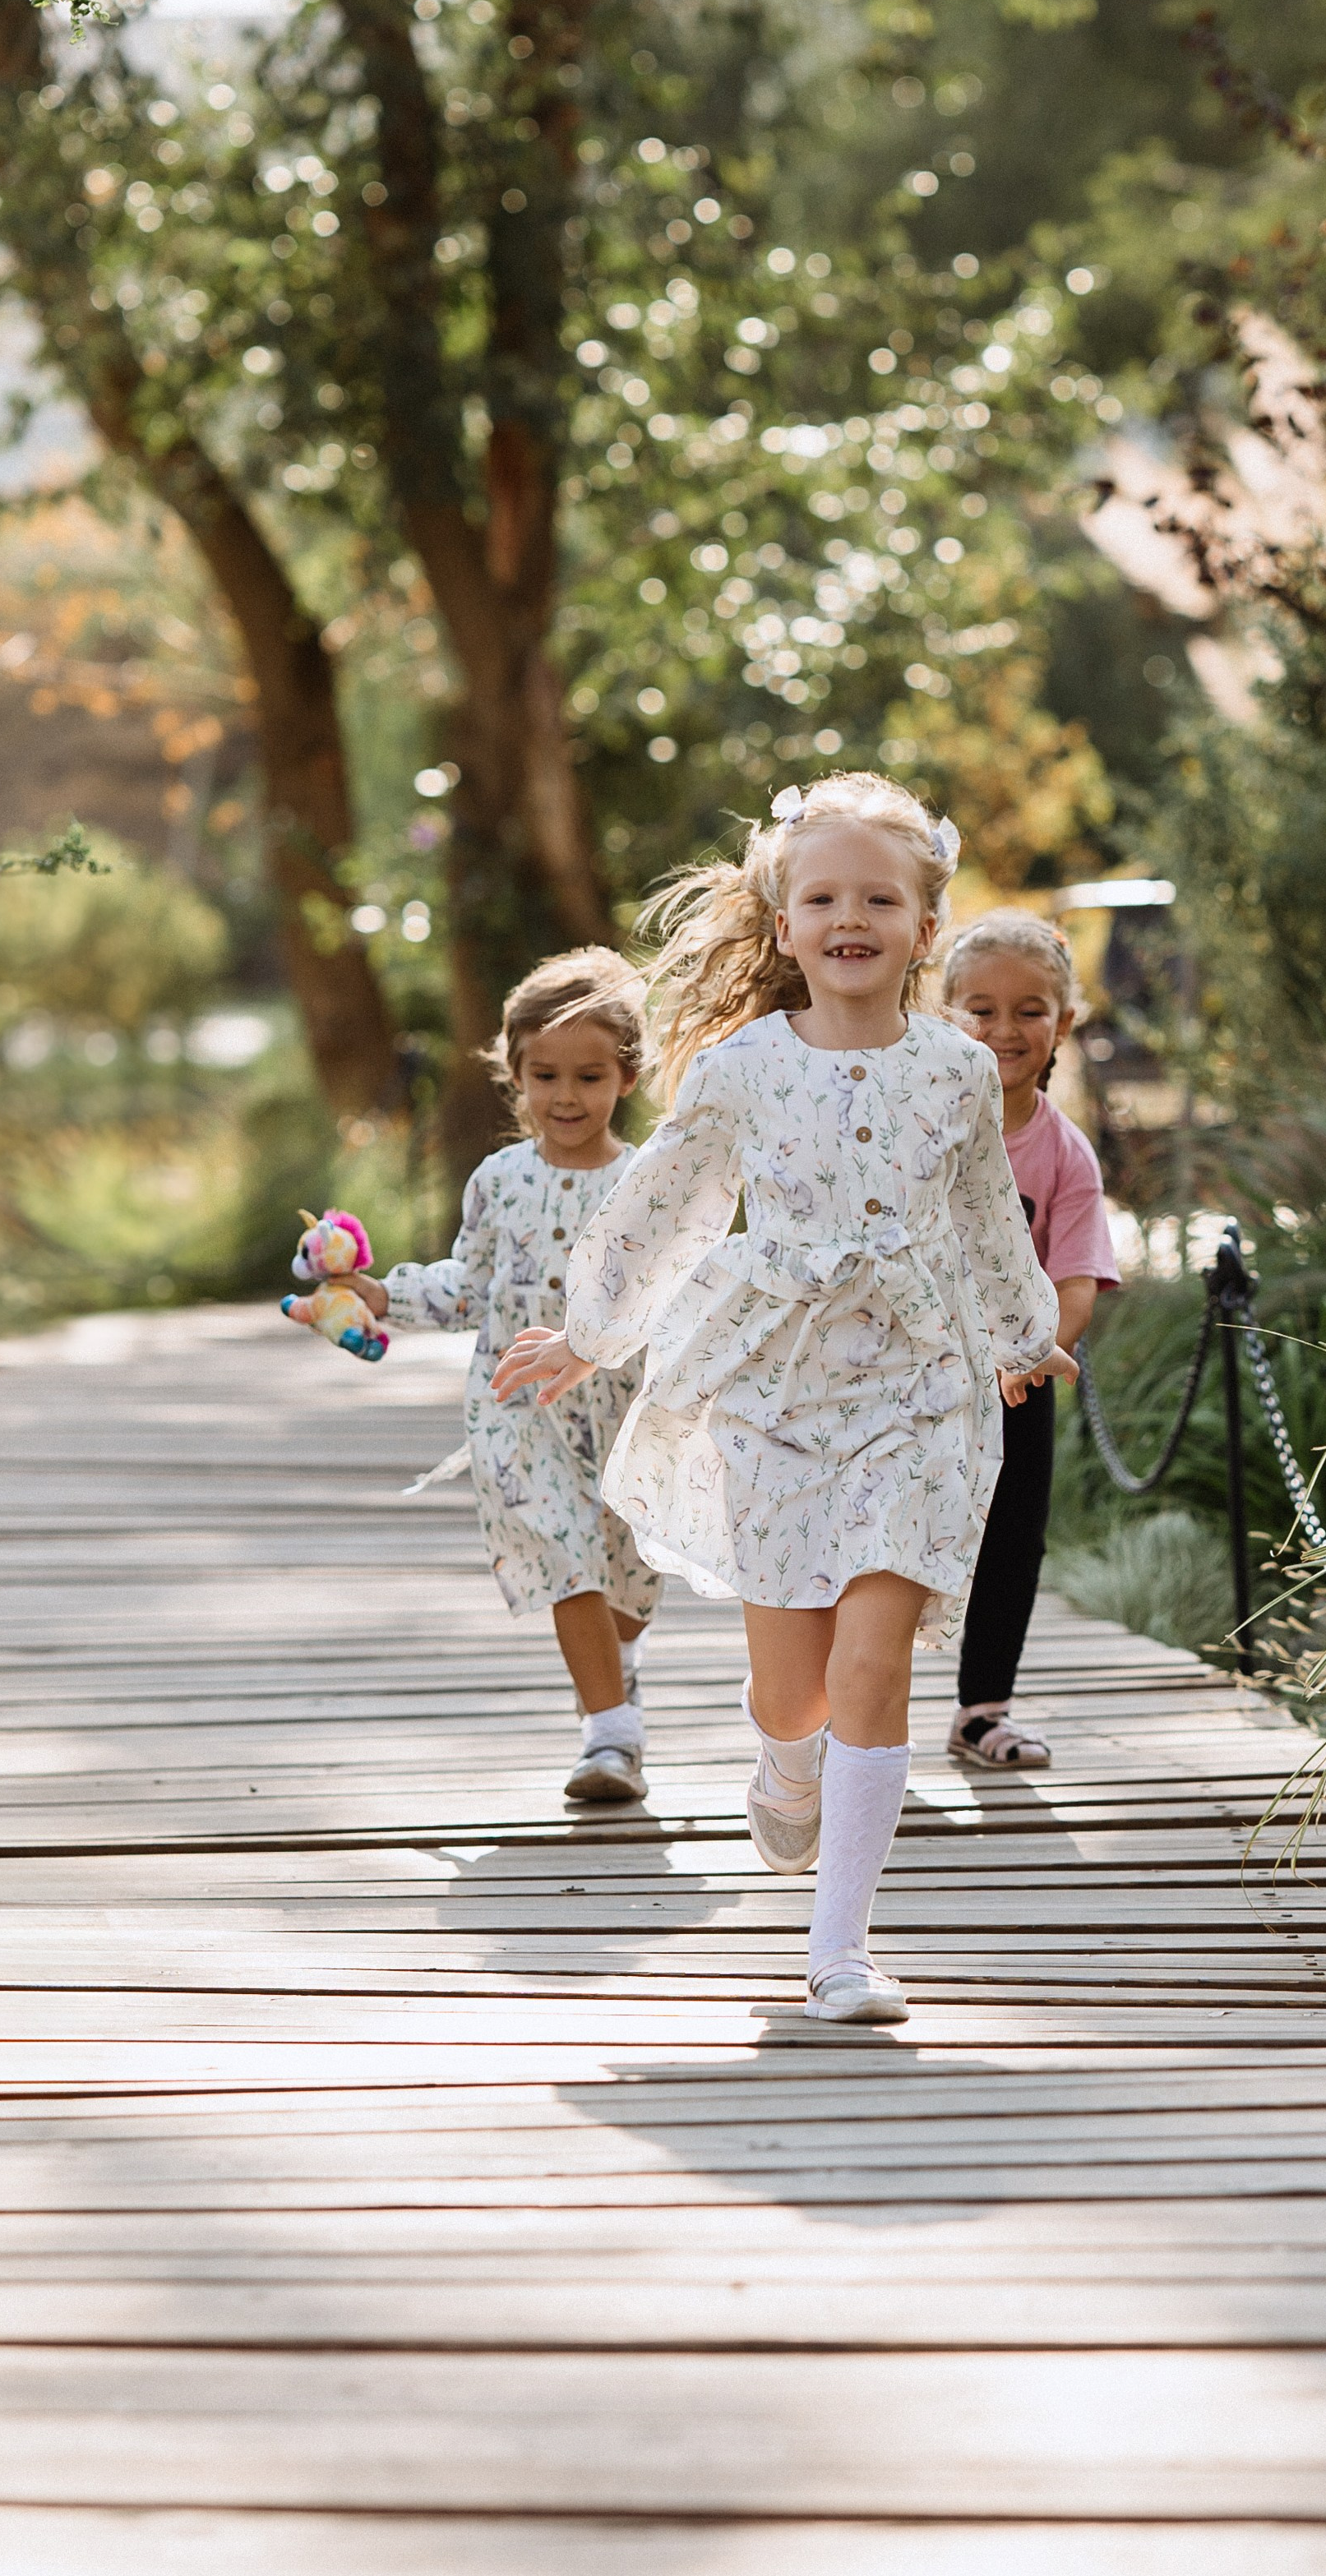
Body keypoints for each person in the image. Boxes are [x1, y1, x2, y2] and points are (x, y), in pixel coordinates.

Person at [492, 773, 1074, 2025]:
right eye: (822, 896)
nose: (848, 915)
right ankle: (783, 1763)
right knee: (793, 1688)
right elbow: (665, 1202)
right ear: (784, 916)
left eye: (879, 896)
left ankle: (839, 1952)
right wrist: (593, 1333)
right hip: (776, 1388)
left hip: (918, 1386)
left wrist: (1028, 1331)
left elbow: (983, 1217)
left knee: (875, 1658)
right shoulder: (741, 1068)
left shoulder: (957, 1072)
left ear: (924, 923)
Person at [345, 950, 662, 1804]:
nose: (565, 1096)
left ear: (625, 1075)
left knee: (632, 1578)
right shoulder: (500, 1180)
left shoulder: (648, 1183)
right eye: (544, 1075)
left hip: (629, 1412)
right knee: (568, 1562)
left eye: (588, 1075)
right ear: (513, 1074)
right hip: (520, 1410)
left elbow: (676, 1291)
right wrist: (386, 1293)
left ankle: (618, 1664)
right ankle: (609, 1737)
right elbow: (467, 1286)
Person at [942, 912, 1120, 1769]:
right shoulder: (921, 1133)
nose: (1003, 1030)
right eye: (979, 1009)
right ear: (941, 1016)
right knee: (889, 1539)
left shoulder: (1065, 1155)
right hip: (908, 1380)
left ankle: (983, 1708)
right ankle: (847, 1711)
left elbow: (1076, 1285)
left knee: (1011, 1540)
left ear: (1065, 1023)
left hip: (1018, 1383)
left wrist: (1023, 1353)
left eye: (1028, 1010)